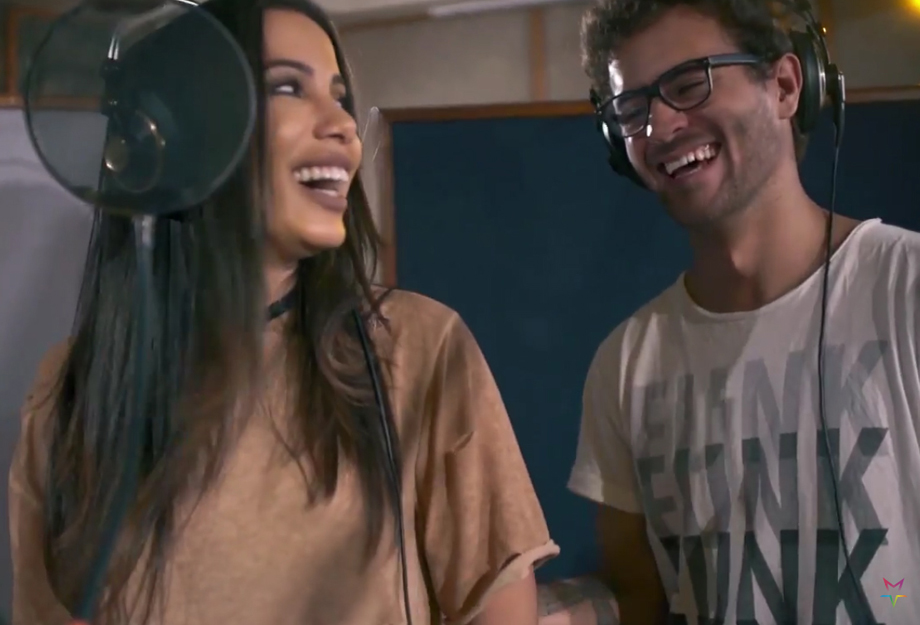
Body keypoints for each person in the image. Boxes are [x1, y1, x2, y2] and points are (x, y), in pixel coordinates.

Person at [7, 1, 559, 624]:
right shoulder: (72, 391)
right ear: (176, 136)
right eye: (289, 88)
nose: (344, 127)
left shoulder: (417, 348)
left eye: (340, 97)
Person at [566, 0, 920, 624]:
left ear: (785, 86)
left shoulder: (906, 289)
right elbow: (639, 597)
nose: (659, 126)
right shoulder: (625, 363)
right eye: (632, 108)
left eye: (688, 84)